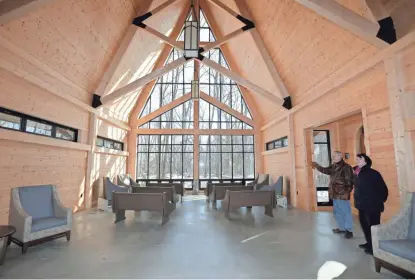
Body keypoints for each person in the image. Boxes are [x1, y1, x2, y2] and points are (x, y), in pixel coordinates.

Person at [311, 151, 354, 238]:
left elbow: (349, 181)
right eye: (333, 156)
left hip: (342, 194)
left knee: (346, 212)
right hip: (334, 193)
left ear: (340, 156)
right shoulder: (334, 166)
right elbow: (326, 170)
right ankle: (342, 228)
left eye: (334, 156)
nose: (333, 158)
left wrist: (346, 192)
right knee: (337, 212)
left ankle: (349, 230)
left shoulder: (346, 167)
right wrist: (317, 166)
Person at [353, 153, 388, 255]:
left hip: (373, 205)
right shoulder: (357, 172)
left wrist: (379, 201)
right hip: (362, 205)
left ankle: (375, 248)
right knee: (365, 226)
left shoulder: (373, 173)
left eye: (360, 158)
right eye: (357, 159)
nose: (357, 160)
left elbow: (383, 189)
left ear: (366, 161)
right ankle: (369, 243)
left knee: (373, 227)